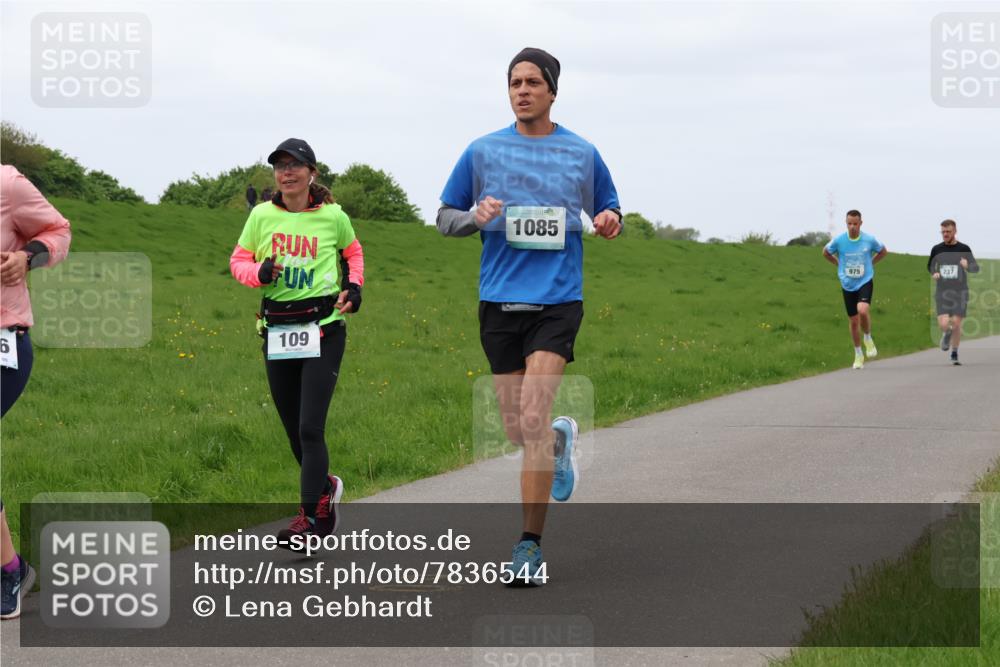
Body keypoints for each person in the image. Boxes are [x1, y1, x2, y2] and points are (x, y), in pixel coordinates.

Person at [437, 48, 622, 586]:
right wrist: (475, 216)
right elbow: (445, 218)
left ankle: (529, 547)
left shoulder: (581, 153)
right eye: (514, 82)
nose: (522, 90)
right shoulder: (482, 151)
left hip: (557, 301)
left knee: (533, 420)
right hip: (499, 302)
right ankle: (561, 441)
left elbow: (610, 209)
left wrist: (610, 219)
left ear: (552, 91)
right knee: (519, 430)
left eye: (533, 82)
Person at [230, 139, 364, 549]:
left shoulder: (333, 217)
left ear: (312, 173)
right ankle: (325, 488)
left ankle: (309, 519)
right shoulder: (260, 216)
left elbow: (353, 254)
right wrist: (261, 272)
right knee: (293, 432)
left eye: (295, 166)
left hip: (323, 327)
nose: (286, 173)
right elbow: (238, 262)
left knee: (310, 428)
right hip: (278, 331)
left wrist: (354, 288)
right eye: (280, 167)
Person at [0, 165, 72, 618]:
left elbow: (58, 231)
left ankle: (10, 571)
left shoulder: (6, 183)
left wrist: (28, 257)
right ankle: (10, 567)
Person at [822, 210, 887, 369]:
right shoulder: (839, 240)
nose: (852, 227)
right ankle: (858, 354)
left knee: (863, 310)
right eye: (849, 223)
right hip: (847, 283)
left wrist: (871, 263)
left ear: (860, 223)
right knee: (853, 321)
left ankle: (868, 338)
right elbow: (825, 252)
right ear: (846, 223)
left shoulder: (869, 240)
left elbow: (883, 251)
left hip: (865, 280)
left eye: (855, 224)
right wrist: (838, 264)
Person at [928, 219, 979, 365]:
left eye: (948, 231)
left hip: (960, 291)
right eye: (943, 232)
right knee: (944, 324)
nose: (945, 234)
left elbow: (975, 268)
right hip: (942, 291)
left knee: (956, 324)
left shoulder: (964, 248)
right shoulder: (936, 249)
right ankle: (946, 333)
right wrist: (935, 273)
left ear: (955, 231)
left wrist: (967, 265)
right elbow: (930, 265)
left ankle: (954, 352)